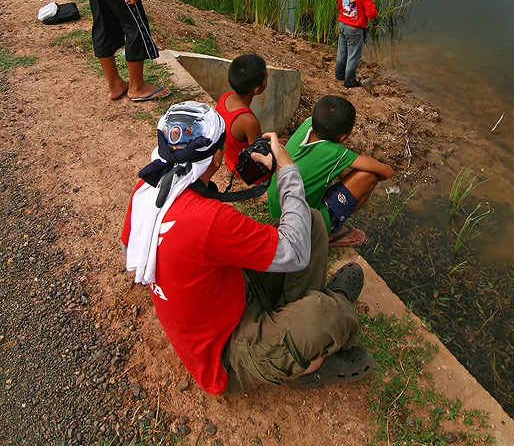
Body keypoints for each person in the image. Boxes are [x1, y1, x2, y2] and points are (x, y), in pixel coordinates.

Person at [121, 101, 374, 394]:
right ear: (217, 158)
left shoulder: (148, 189)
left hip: (231, 294)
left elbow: (132, 250)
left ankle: (294, 311)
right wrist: (287, 170)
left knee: (312, 222)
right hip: (226, 356)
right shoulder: (208, 219)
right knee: (331, 315)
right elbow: (293, 249)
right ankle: (308, 366)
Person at [267, 95, 394, 247]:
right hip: (296, 223)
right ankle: (329, 231)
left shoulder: (308, 124)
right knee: (369, 177)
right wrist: (357, 185)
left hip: (277, 208)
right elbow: (387, 171)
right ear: (342, 137)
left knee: (342, 172)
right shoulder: (335, 152)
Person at [215, 54, 267, 177]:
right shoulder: (249, 121)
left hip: (229, 158)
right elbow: (257, 154)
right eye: (266, 76)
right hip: (244, 170)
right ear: (257, 90)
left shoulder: (225, 97)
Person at [335, 0, 378, 89]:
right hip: (355, 28)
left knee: (342, 51)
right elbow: (371, 14)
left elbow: (340, 6)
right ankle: (349, 81)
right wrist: (375, 12)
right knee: (353, 55)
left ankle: (339, 75)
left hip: (342, 24)